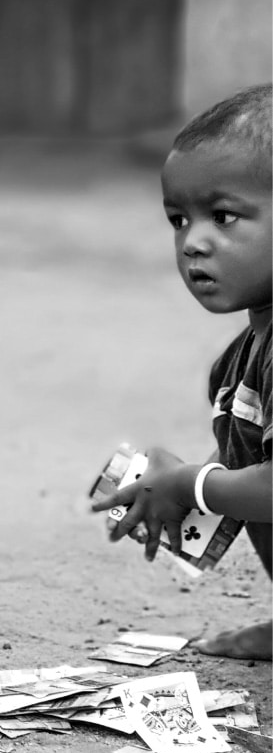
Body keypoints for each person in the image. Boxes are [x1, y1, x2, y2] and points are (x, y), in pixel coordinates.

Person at [92, 83, 271, 660]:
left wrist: (192, 483)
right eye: (178, 219)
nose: (193, 242)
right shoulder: (239, 358)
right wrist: (193, 489)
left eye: (223, 216)